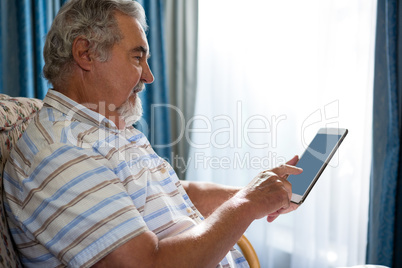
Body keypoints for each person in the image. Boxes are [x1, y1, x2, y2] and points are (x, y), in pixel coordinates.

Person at [3, 0, 302, 267]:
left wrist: (260, 193)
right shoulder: (60, 153)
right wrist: (247, 204)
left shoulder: (104, 127)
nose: (149, 76)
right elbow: (147, 264)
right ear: (85, 53)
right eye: (137, 57)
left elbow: (172, 194)